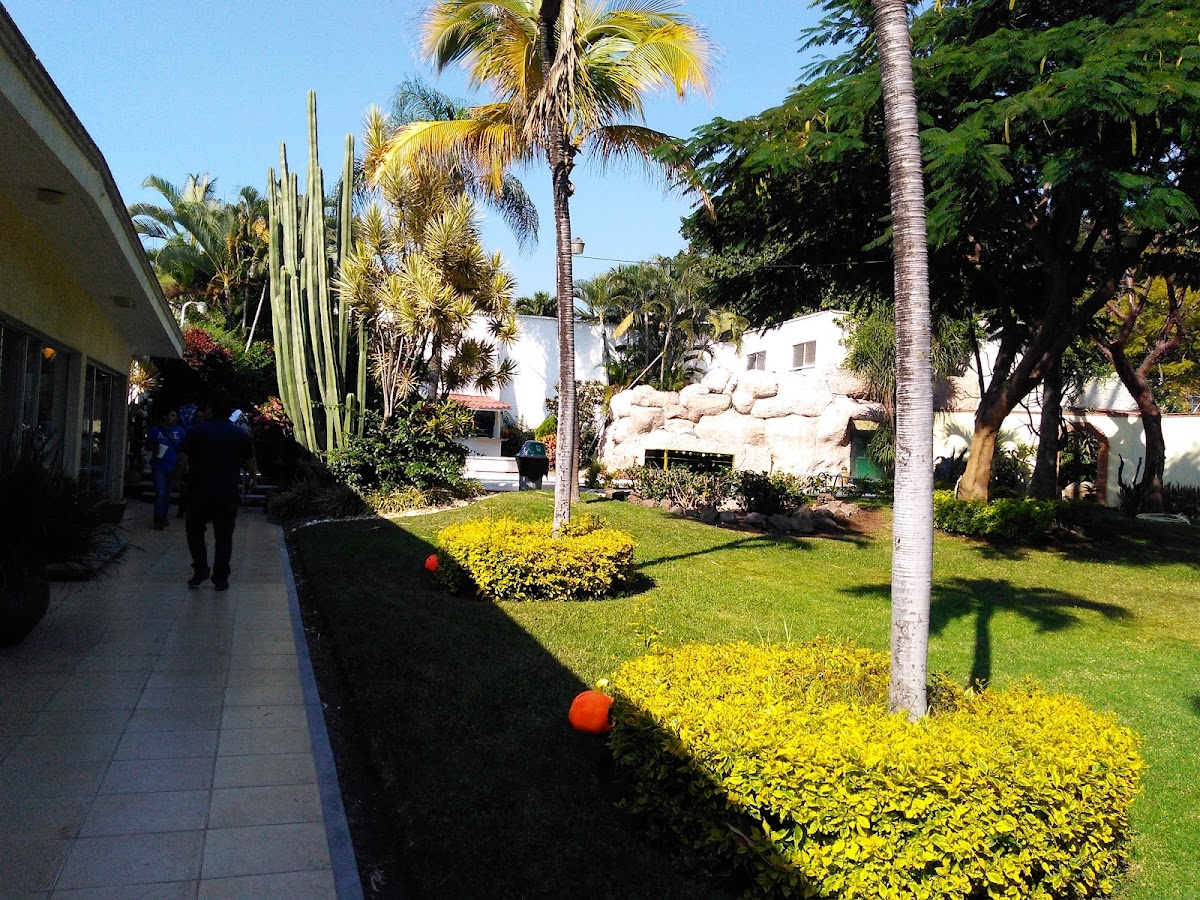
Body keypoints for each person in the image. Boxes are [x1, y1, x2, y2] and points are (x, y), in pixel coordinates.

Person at [176, 396, 258, 591]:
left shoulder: (196, 431)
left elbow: (182, 458)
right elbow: (251, 461)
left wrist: (177, 479)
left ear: (210, 410)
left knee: (194, 532)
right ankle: (221, 577)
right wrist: (253, 478)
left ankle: (200, 569)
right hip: (227, 492)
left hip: (199, 491)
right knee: (224, 537)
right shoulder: (239, 434)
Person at [146, 410, 185, 530]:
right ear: (165, 416)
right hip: (159, 466)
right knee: (160, 491)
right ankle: (158, 519)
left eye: (175, 416)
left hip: (173, 467)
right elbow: (147, 445)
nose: (174, 418)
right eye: (172, 415)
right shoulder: (155, 430)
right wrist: (154, 448)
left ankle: (164, 515)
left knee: (167, 493)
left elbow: (184, 447)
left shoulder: (180, 431)